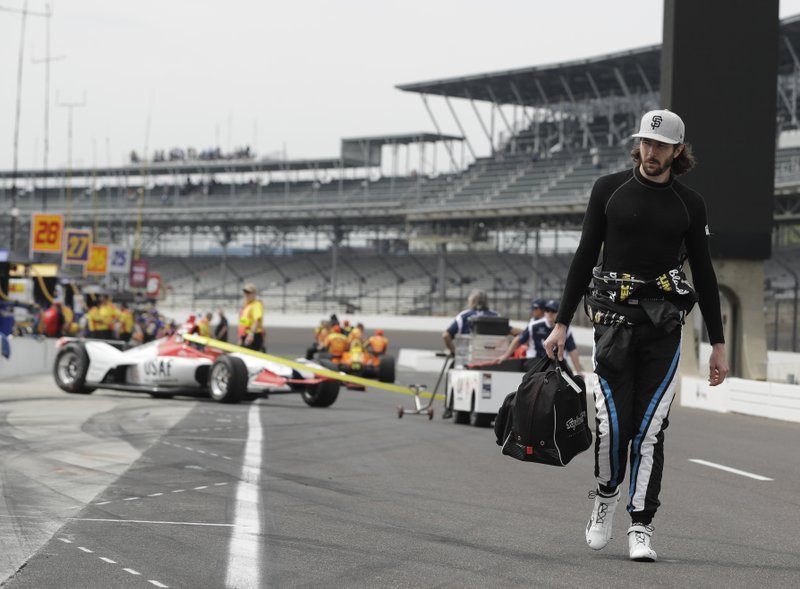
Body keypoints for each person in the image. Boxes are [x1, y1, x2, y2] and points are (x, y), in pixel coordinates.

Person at [543, 109, 729, 563]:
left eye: (661, 146)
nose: (651, 152)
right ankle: (605, 498)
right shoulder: (608, 189)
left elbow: (703, 275)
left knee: (649, 434)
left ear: (677, 151)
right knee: (612, 429)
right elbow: (585, 257)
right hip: (611, 329)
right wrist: (562, 322)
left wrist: (717, 344)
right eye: (646, 143)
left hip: (664, 333)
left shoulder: (691, 204)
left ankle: (641, 525)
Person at [441, 290, 499, 418]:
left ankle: (449, 407)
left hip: (467, 358)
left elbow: (446, 335)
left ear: (471, 301)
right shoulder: (495, 316)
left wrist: (454, 352)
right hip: (489, 359)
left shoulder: (464, 316)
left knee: (451, 372)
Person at [496, 299, 583, 373]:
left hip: (557, 362)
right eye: (547, 310)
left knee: (573, 383)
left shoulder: (565, 329)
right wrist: (505, 356)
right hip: (536, 360)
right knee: (549, 373)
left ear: (559, 313)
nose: (549, 313)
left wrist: (579, 372)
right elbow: (518, 340)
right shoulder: (534, 325)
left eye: (553, 311)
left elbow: (573, 350)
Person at [238, 283, 265, 351]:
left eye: (249, 292)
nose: (246, 294)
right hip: (246, 335)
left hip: (253, 336)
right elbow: (243, 323)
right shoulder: (246, 305)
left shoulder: (256, 305)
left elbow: (257, 320)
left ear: (254, 294)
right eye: (245, 292)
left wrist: (251, 334)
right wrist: (241, 337)